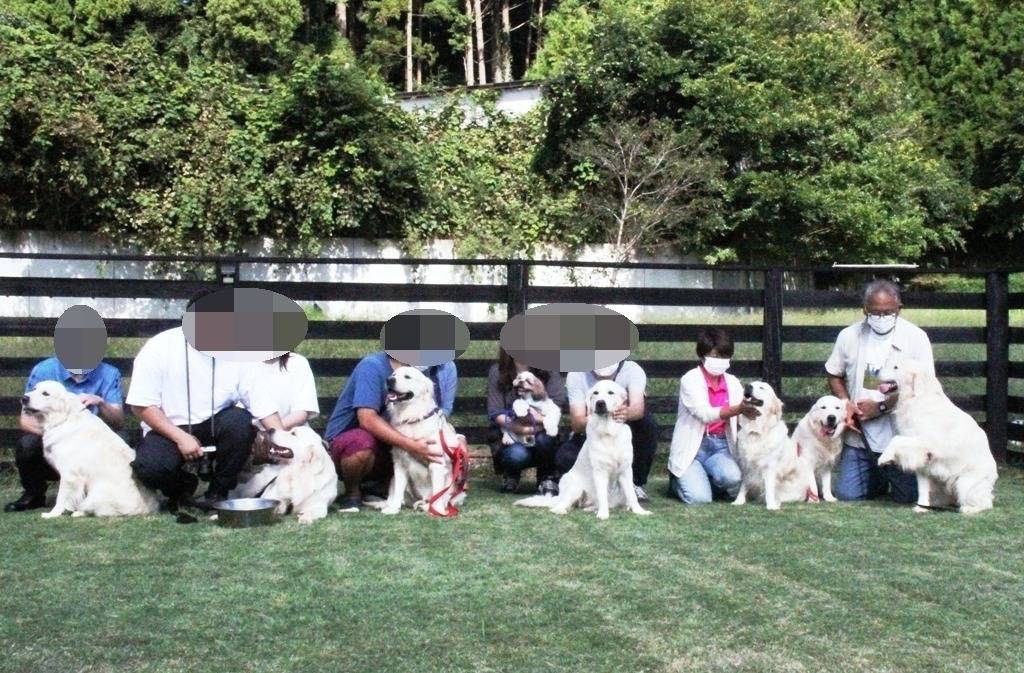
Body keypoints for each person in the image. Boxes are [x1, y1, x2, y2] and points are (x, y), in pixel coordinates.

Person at [127, 292, 285, 512]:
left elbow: (263, 406)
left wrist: (285, 444)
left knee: (240, 422)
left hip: (216, 423)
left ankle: (218, 492)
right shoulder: (158, 347)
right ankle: (185, 487)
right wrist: (180, 437)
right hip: (169, 427)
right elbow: (141, 405)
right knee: (150, 469)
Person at [826, 278, 934, 504]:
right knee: (847, 495)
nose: (881, 317)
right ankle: (876, 477)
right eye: (875, 312)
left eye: (888, 312)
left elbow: (923, 386)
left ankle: (893, 475)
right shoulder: (848, 336)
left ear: (899, 308)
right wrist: (845, 403)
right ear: (865, 309)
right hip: (860, 437)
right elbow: (834, 374)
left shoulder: (917, 338)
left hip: (900, 436)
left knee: (907, 497)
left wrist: (882, 407)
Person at [323, 352, 459, 512]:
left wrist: (455, 440)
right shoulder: (372, 366)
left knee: (414, 457)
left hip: (389, 441)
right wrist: (413, 446)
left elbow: (440, 413)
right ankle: (352, 494)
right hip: (350, 443)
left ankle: (384, 490)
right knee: (361, 441)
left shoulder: (438, 367)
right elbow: (366, 419)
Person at [4, 357, 125, 512]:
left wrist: (100, 402)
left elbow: (118, 421)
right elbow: (26, 421)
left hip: (93, 445)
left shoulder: (109, 373)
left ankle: (101, 495)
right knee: (27, 444)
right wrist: (63, 438)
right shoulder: (45, 369)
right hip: (54, 441)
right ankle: (33, 494)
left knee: (123, 439)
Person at [667, 327, 760, 504]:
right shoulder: (690, 379)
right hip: (693, 447)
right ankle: (676, 482)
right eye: (715, 356)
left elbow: (742, 415)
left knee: (733, 478)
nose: (720, 361)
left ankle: (704, 480)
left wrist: (753, 408)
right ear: (702, 356)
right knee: (699, 499)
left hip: (721, 446)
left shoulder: (732, 382)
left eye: (725, 357)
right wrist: (739, 408)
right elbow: (705, 414)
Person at [556, 359, 658, 501]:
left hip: (620, 433)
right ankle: (588, 489)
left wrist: (624, 413)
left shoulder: (632, 369)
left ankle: (636, 483)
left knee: (647, 423)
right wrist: (599, 416)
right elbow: (578, 423)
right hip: (591, 435)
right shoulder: (576, 374)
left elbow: (638, 409)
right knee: (565, 457)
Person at [486, 347, 567, 495]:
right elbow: (495, 412)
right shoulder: (497, 371)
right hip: (512, 433)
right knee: (516, 455)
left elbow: (558, 403)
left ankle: (546, 477)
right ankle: (511, 475)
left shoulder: (549, 368)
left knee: (545, 439)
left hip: (543, 431)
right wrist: (519, 428)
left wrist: (538, 419)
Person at [248, 352, 319, 462]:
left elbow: (302, 412)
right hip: (251, 436)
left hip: (291, 434)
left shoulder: (298, 362)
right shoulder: (241, 364)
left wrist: (272, 434)